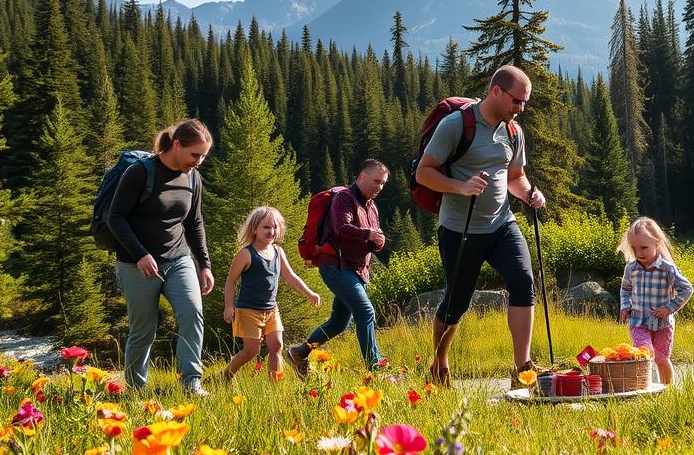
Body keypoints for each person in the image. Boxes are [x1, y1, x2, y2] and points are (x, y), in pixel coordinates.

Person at [414, 65, 546, 387]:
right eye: (517, 101)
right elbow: (423, 172)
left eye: (525, 102)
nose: (521, 109)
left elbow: (515, 177)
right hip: (459, 228)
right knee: (457, 300)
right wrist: (460, 187)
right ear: (496, 92)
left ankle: (522, 368)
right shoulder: (457, 125)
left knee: (523, 280)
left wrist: (530, 193)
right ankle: (440, 361)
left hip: (502, 224)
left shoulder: (514, 132)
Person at [108, 119, 215, 396]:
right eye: (195, 155)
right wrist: (140, 254)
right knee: (144, 330)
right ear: (176, 145)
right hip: (136, 265)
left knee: (192, 313)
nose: (199, 161)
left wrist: (204, 265)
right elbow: (115, 218)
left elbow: (194, 222)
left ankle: (191, 383)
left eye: (203, 156)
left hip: (179, 259)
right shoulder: (139, 173)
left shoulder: (193, 178)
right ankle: (135, 390)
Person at [287, 159, 390, 376]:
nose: (379, 187)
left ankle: (299, 352)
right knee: (365, 311)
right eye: (376, 181)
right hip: (337, 266)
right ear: (362, 176)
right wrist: (367, 234)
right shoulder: (344, 198)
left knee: (338, 323)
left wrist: (378, 242)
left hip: (357, 270)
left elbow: (371, 240)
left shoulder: (372, 207)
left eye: (382, 183)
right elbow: (342, 228)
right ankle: (376, 368)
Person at [221, 206, 321, 382]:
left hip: (271, 309)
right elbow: (230, 281)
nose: (271, 231)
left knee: (277, 346)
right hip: (248, 311)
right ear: (254, 229)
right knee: (251, 351)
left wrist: (309, 292)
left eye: (275, 227)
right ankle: (227, 374)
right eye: (266, 227)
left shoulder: (278, 252)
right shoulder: (246, 254)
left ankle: (275, 386)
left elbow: (290, 277)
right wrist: (229, 306)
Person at [617, 217, 694, 384]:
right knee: (645, 353)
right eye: (634, 248)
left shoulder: (667, 269)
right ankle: (648, 389)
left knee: (661, 358)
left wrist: (670, 307)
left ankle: (666, 390)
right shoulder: (631, 269)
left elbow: (687, 288)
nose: (639, 253)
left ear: (657, 243)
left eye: (644, 247)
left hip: (663, 324)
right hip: (638, 321)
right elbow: (625, 289)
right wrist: (625, 306)